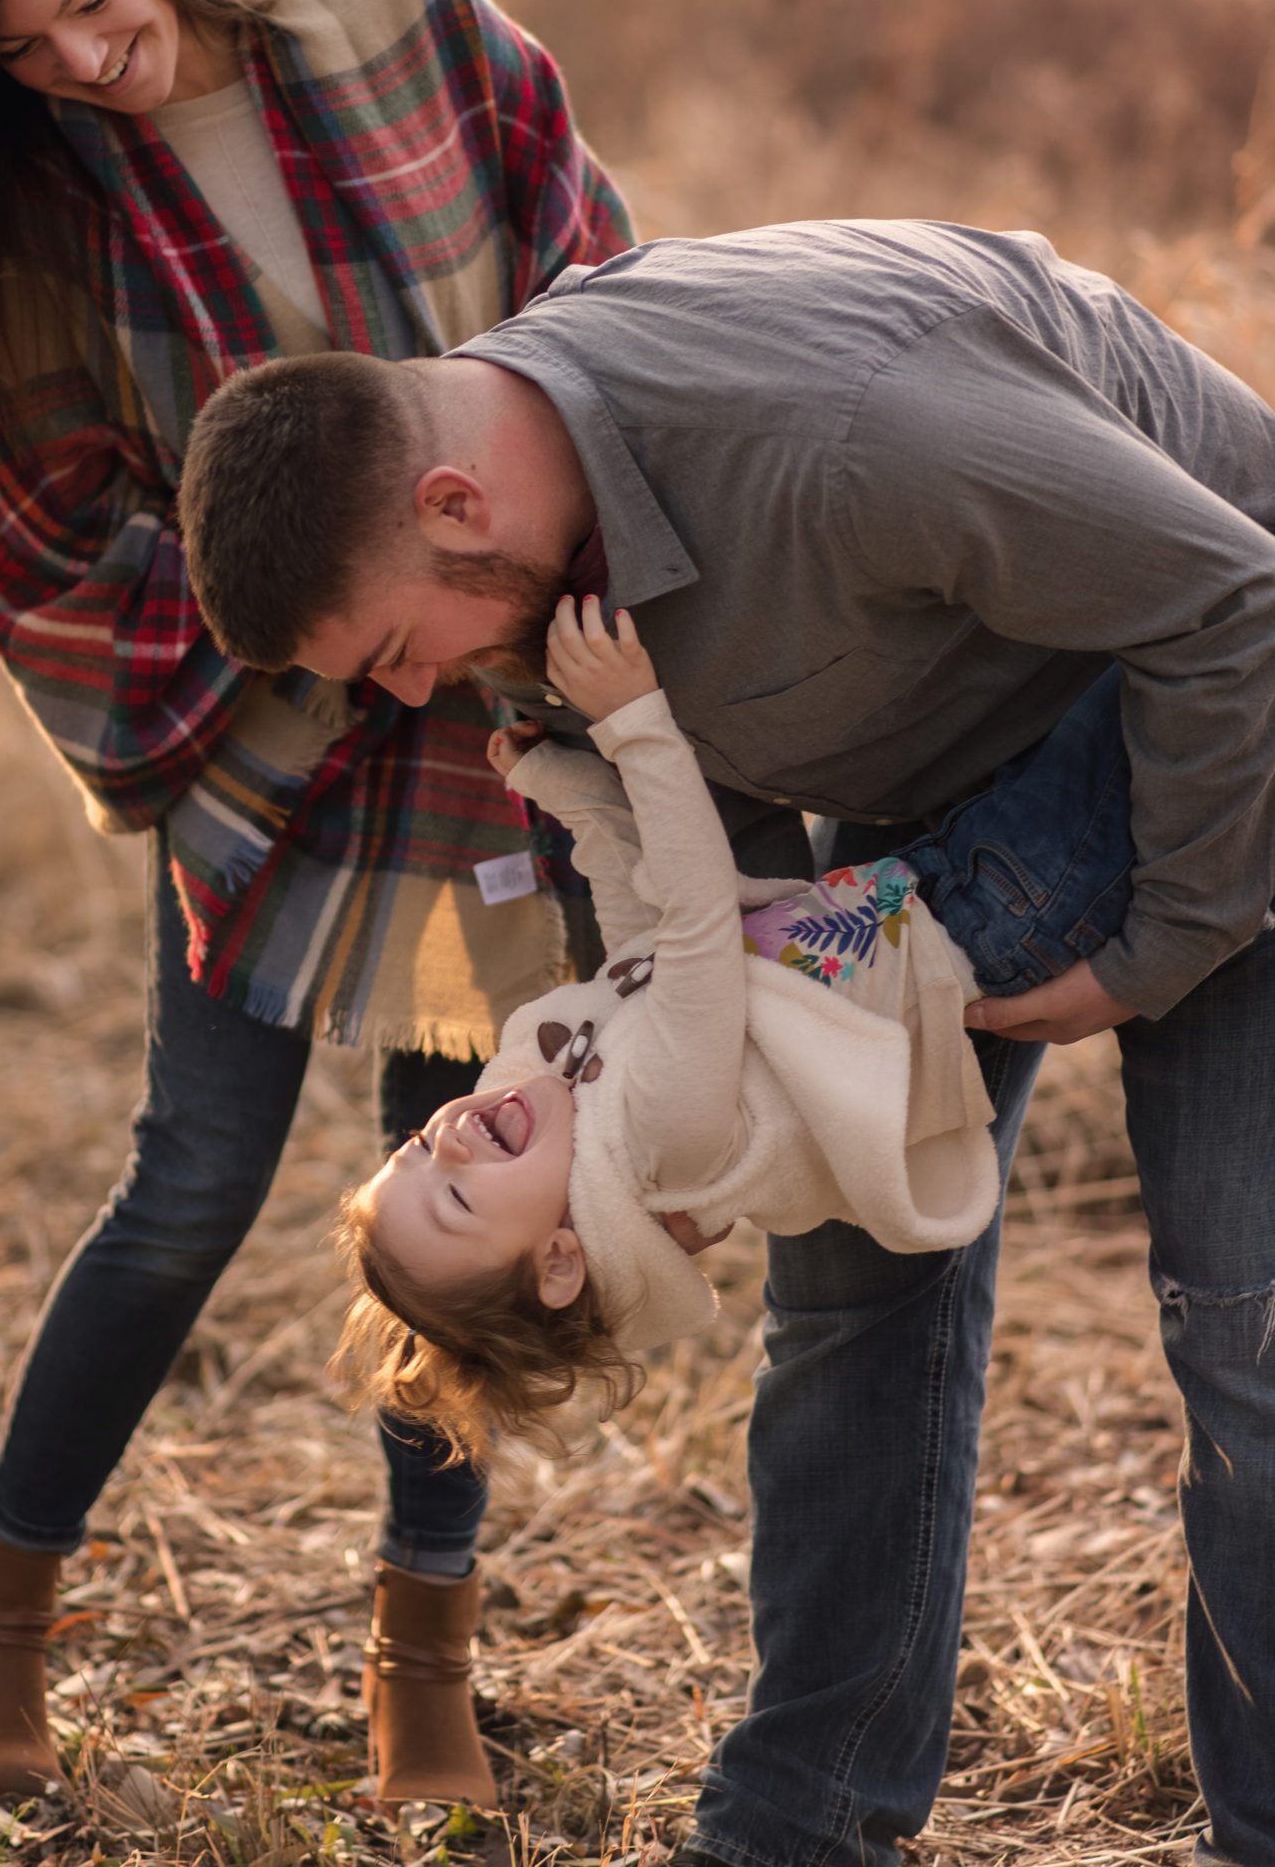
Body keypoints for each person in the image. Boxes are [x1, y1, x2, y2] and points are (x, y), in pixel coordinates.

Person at [176, 220, 1275, 1867]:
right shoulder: (540, 589)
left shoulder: (848, 430)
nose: (415, 692)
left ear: (453, 506)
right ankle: (795, 1830)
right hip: (910, 870)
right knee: (843, 1323)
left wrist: (1159, 949)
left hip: (1213, 714)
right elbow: (676, 910)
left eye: (397, 648)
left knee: (1241, 1334)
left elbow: (1231, 602)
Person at [0, 0, 631, 1805]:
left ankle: (414, 1665)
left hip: (497, 700)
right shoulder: (23, 219)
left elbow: (596, 279)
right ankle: (1, 1602)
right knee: (188, 1181)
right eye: (26, 52)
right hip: (262, 752)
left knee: (445, 1192)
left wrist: (524, 575)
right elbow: (36, 545)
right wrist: (303, 643)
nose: (87, 61)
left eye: (93, 0)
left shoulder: (389, 11)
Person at [337, 595, 1133, 1468]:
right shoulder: (661, 1142)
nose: (446, 1146)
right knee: (1157, 682)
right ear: (559, 1261)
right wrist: (633, 722)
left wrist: (570, 796)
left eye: (412, 1148)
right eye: (453, 1199)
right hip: (989, 913)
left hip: (928, 886)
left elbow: (635, 944)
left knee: (1113, 661)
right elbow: (691, 925)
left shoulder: (579, 1099)